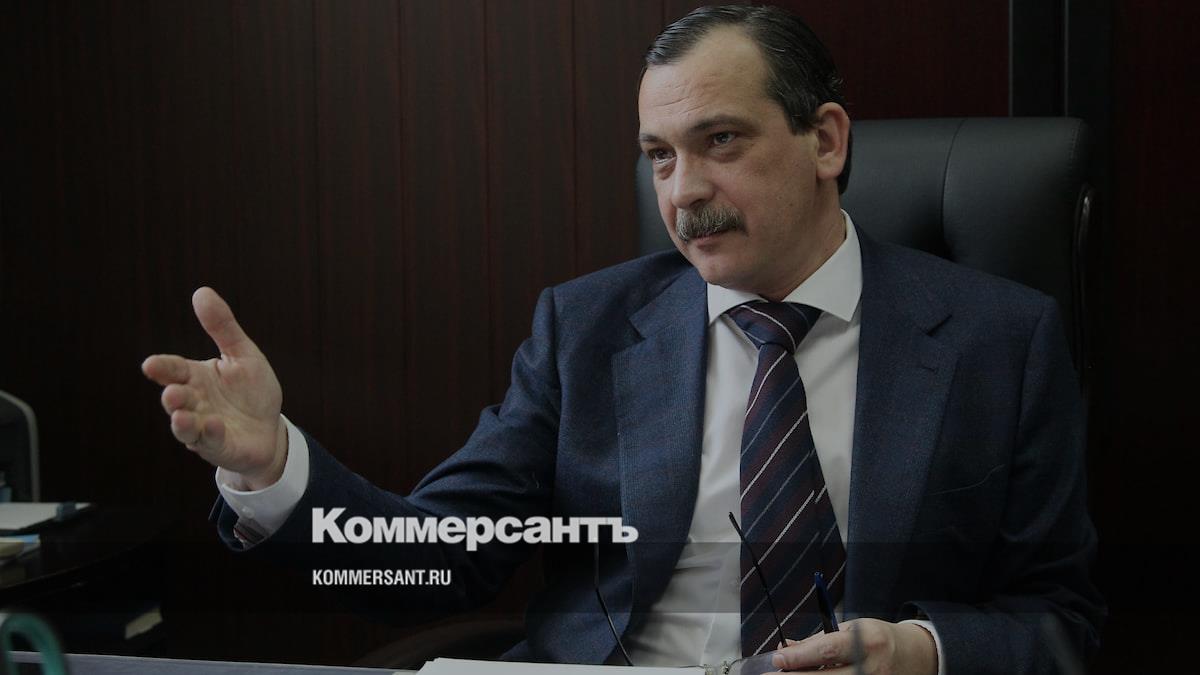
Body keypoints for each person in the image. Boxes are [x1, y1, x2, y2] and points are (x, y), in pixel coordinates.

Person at [142, 5, 1102, 673]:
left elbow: (1062, 624)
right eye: (658, 157)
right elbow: (438, 558)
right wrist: (274, 470)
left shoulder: (999, 339)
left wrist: (921, 652)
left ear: (826, 141)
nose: (684, 192)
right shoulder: (587, 328)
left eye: (720, 142)